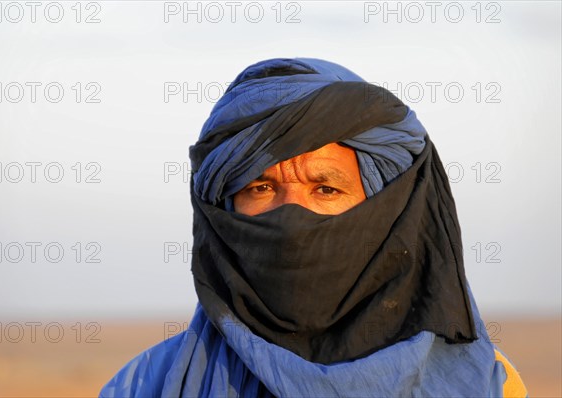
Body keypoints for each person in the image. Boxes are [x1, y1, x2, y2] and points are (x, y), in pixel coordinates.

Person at [100, 58, 527, 397]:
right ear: (224, 214)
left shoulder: (487, 385)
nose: (292, 218)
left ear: (384, 211)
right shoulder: (146, 386)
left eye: (325, 189)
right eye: (261, 187)